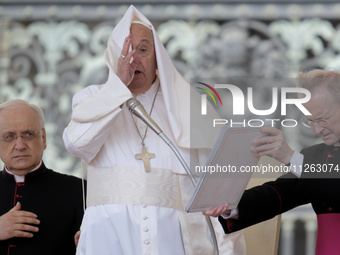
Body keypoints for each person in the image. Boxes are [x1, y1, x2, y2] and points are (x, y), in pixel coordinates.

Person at [63, 5, 246, 255]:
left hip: (175, 240)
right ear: (115, 55)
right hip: (108, 237)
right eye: (127, 50)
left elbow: (214, 192)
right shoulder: (93, 98)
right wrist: (118, 91)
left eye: (143, 49)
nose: (135, 59)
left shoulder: (188, 106)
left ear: (157, 56)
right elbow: (77, 144)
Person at [204, 69, 340, 255]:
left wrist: (291, 158)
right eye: (310, 121)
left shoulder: (305, 161)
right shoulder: (315, 155)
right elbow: (279, 194)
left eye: (323, 119)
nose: (317, 130)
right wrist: (229, 204)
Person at [0, 99, 85, 255]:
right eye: (9, 136)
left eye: (28, 134)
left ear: (43, 138)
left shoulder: (79, 191)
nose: (20, 145)